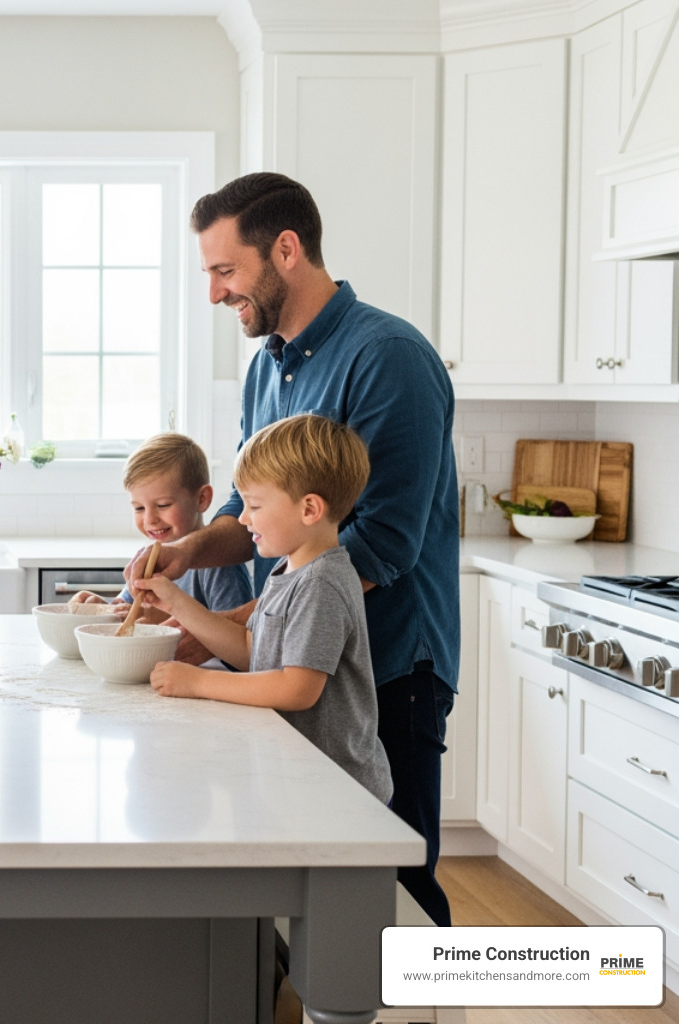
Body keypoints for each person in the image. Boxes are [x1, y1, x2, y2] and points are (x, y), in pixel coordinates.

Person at [136, 172, 459, 925]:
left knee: (394, 887)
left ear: (285, 250)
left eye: (225, 270)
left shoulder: (388, 357)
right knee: (311, 884)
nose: (215, 294)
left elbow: (377, 546)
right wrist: (185, 552)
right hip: (292, 661)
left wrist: (234, 633)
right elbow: (242, 516)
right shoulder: (267, 367)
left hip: (387, 670)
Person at [131, 415, 392, 805]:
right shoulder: (290, 569)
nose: (242, 518)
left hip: (338, 788)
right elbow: (253, 649)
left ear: (309, 509)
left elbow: (296, 688)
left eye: (254, 504)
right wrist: (175, 601)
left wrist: (197, 683)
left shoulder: (322, 583)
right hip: (301, 777)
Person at [70, 432, 251, 618]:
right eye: (139, 508)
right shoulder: (149, 560)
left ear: (202, 499)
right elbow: (127, 609)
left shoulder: (221, 567)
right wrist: (105, 607)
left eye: (163, 505)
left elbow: (235, 633)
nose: (149, 520)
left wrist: (157, 619)